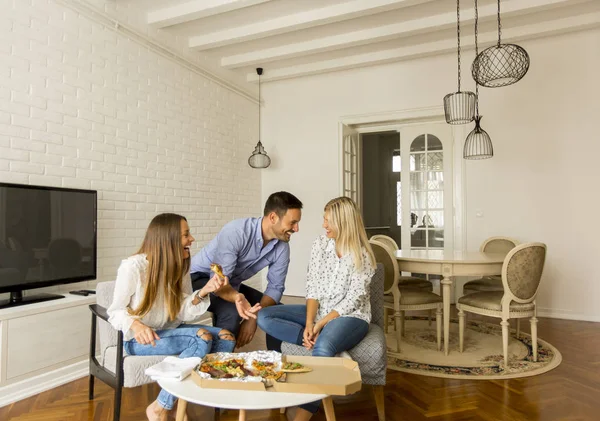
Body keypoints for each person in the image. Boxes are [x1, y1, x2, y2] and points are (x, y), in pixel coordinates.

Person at [257, 196, 375, 421]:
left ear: (344, 222)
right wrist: (310, 324)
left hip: (351, 316)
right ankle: (314, 341)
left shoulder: (363, 255)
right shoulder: (320, 245)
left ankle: (304, 414)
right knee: (265, 316)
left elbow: (353, 299)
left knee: (323, 346)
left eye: (328, 220)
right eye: (324, 219)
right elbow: (312, 288)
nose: (324, 225)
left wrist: (321, 324)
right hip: (320, 313)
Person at [107, 213, 234, 421]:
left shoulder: (179, 266)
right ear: (169, 239)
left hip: (171, 332)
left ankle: (176, 400)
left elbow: (182, 310)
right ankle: (160, 408)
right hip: (139, 340)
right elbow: (114, 312)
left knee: (226, 337)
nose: (191, 239)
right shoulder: (133, 267)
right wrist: (136, 325)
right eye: (186, 235)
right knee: (201, 337)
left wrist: (203, 292)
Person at [191, 191, 303, 349]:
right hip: (199, 279)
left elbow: (275, 287)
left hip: (231, 283)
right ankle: (219, 364)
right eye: (292, 223)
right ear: (273, 217)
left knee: (277, 312)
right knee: (231, 310)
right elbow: (219, 284)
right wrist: (239, 299)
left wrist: (254, 317)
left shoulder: (282, 247)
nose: (296, 228)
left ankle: (276, 363)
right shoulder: (236, 232)